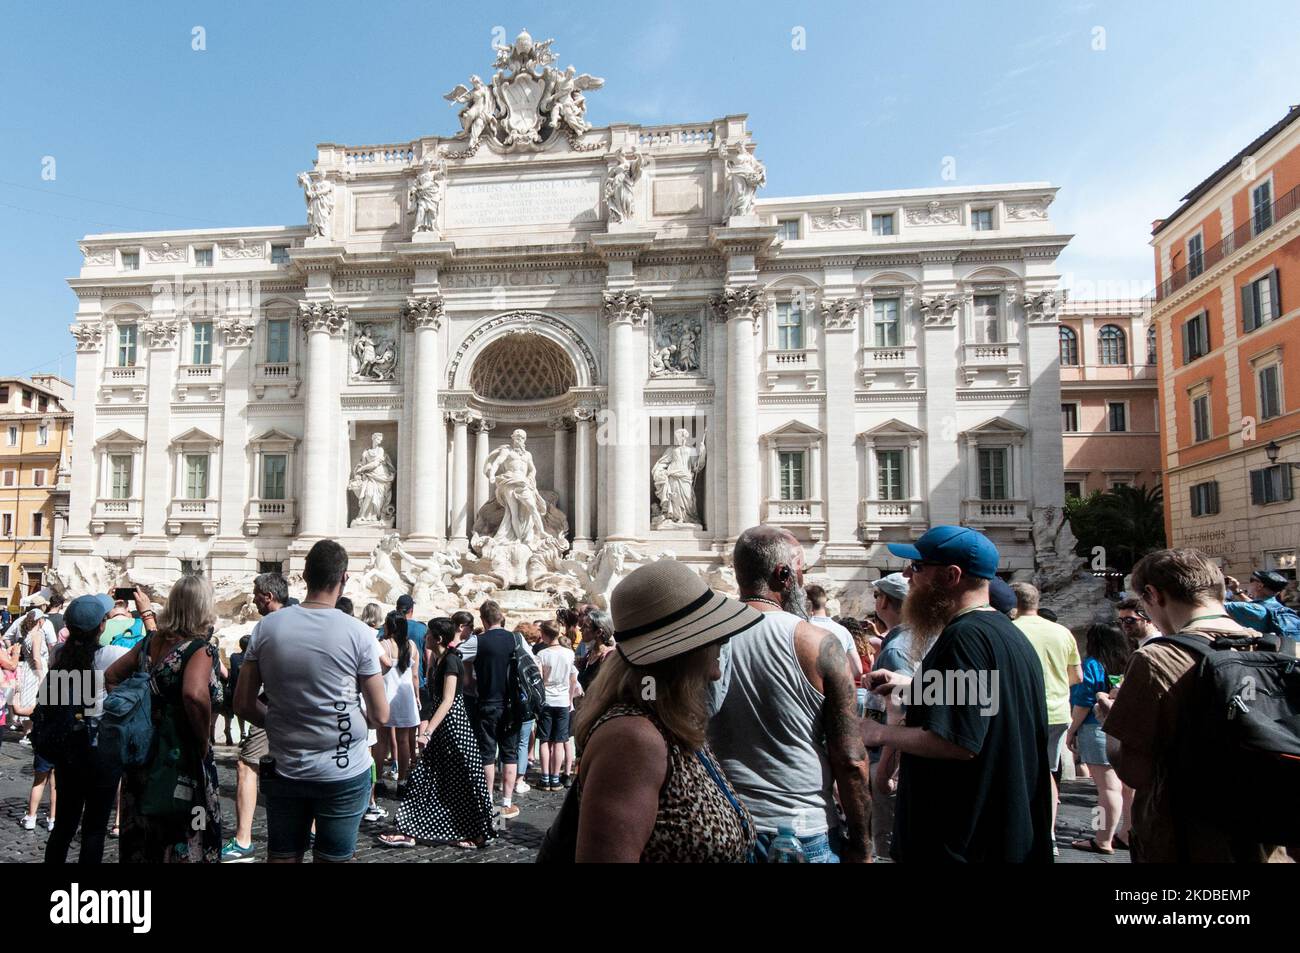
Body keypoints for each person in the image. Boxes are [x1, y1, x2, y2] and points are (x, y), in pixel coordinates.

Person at [863, 525, 1052, 863]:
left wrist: (878, 732)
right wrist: (912, 687)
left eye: (918, 568)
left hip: (961, 842)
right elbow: (986, 703)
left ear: (951, 576)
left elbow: (957, 741)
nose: (907, 576)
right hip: (993, 838)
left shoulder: (963, 639)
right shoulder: (1002, 632)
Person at [551, 559, 760, 862]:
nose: (723, 642)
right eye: (714, 635)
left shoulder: (672, 722)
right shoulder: (633, 740)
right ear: (682, 652)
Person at [1101, 548, 1295, 862]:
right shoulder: (1285, 649)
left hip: (1187, 842)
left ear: (1153, 594)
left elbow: (1136, 772)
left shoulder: (1156, 657)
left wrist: (1109, 725)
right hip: (1270, 843)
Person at [709, 525, 871, 863]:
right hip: (802, 830)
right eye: (802, 571)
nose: (803, 579)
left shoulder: (709, 640)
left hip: (724, 824)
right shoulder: (818, 644)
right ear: (783, 574)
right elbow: (851, 759)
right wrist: (862, 844)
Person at [235, 540, 389, 863]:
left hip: (285, 767)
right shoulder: (360, 634)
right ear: (344, 578)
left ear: (303, 576)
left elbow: (244, 703)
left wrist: (278, 720)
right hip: (343, 771)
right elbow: (380, 714)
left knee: (282, 857)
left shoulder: (266, 628)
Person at [105, 574, 224, 863]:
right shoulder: (199, 649)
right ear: (202, 608)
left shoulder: (150, 644)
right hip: (180, 757)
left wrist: (137, 716)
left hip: (143, 756)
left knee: (144, 838)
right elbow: (194, 695)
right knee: (187, 828)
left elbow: (112, 676)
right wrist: (203, 740)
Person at [380, 617, 494, 849]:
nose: (425, 637)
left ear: (439, 638)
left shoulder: (451, 661)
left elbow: (449, 700)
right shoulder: (439, 659)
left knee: (464, 780)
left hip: (452, 727)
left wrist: (428, 731)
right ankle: (409, 830)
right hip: (442, 727)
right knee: (426, 779)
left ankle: (479, 833)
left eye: (429, 634)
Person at [41, 594, 123, 863]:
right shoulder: (109, 656)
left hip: (68, 750)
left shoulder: (58, 654)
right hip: (100, 752)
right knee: (94, 830)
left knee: (64, 826)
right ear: (102, 626)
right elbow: (150, 650)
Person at [1011, 581, 1082, 856]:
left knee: (1019, 773)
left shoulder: (1011, 629)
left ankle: (1021, 831)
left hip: (1022, 713)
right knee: (1047, 774)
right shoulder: (1062, 632)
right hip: (1057, 713)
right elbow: (1077, 676)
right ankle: (1049, 833)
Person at [221, 572, 286, 863]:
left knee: (247, 765)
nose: (254, 598)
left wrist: (255, 710)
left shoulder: (266, 627)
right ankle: (307, 829)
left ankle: (243, 840)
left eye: (256, 594)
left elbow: (246, 693)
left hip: (272, 706)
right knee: (283, 769)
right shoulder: (300, 619)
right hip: (301, 711)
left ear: (268, 597)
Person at [1065, 622, 1132, 854]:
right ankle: (1127, 834)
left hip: (1096, 728)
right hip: (1125, 728)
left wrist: (1071, 730)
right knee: (1126, 787)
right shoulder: (1130, 661)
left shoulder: (1092, 665)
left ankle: (1101, 838)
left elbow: (1083, 701)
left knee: (1106, 789)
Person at [862, 572, 913, 858]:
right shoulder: (915, 640)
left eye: (876, 596)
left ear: (884, 602)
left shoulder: (894, 650)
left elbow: (899, 713)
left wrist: (885, 770)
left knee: (886, 845)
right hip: (899, 756)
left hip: (888, 758)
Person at [473, 600, 521, 819]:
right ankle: (508, 803)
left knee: (487, 754)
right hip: (512, 704)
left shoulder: (478, 641)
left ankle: (488, 800)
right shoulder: (516, 638)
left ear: (483, 620)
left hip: (487, 703)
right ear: (500, 617)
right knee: (510, 753)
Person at [377, 610, 420, 796]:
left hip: (387, 697)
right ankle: (402, 781)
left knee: (382, 741)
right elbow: (416, 676)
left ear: (390, 626)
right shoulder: (412, 646)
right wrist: (417, 696)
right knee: (404, 741)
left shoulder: (384, 645)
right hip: (405, 697)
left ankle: (378, 780)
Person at [536, 620, 579, 792]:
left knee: (545, 740)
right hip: (562, 701)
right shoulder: (569, 654)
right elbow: (572, 679)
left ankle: (545, 778)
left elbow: (539, 680)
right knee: (560, 740)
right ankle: (555, 778)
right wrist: (570, 700)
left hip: (547, 699)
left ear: (545, 635)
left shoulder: (542, 654)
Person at [805, 584, 864, 687]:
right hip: (836, 690)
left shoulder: (802, 627)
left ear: (806, 603)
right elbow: (858, 669)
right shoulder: (843, 631)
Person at [1223, 569, 1300, 645]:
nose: (1249, 584)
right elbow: (1257, 606)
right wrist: (1236, 591)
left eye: (1251, 580)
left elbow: (1215, 605)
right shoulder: (1277, 607)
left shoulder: (1247, 608)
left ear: (1260, 586)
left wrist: (1218, 586)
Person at [395, 594, 431, 739]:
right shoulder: (422, 629)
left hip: (397, 679)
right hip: (419, 680)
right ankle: (422, 753)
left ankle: (404, 754)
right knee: (423, 718)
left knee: (403, 723)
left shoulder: (392, 626)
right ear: (412, 609)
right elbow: (428, 656)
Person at [576, 609, 616, 695]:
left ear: (598, 632)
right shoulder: (588, 655)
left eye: (585, 626)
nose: (580, 630)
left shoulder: (609, 658)